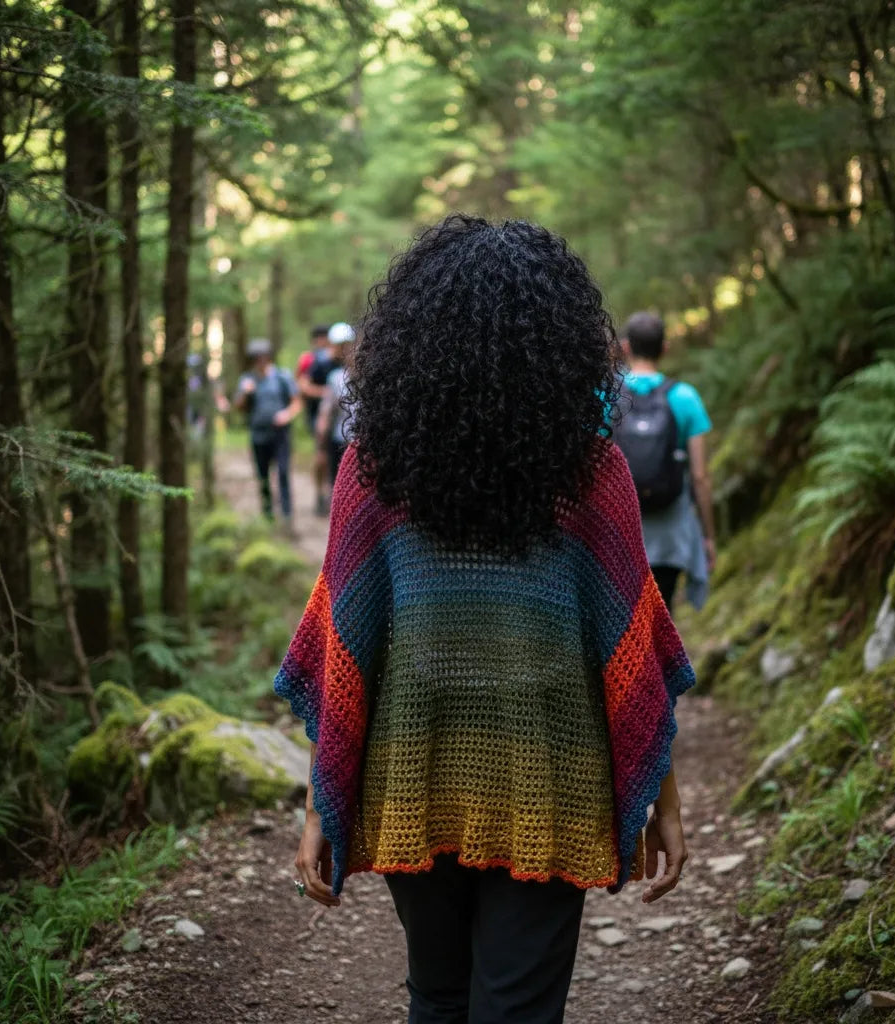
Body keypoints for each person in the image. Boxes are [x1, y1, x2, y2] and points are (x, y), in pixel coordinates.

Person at [274, 215, 695, 1024]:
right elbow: (630, 654)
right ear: (560, 345)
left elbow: (343, 659)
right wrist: (666, 805)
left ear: (412, 343)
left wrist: (319, 809)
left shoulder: (371, 473)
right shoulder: (592, 475)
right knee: (519, 1008)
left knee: (437, 996)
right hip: (553, 781)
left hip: (413, 783)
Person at [617, 311, 716, 613]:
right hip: (670, 533)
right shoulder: (685, 397)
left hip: (621, 535)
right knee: (662, 614)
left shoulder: (606, 397)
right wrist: (708, 535)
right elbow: (699, 476)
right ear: (665, 348)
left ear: (625, 347)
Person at [233, 337, 302, 531]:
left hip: (280, 435)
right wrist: (246, 393)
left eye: (262, 357)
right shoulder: (247, 380)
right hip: (258, 435)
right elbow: (238, 407)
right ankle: (267, 515)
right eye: (256, 358)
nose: (260, 361)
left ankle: (287, 517)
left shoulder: (282, 377)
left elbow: (296, 401)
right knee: (262, 475)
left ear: (268, 357)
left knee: (283, 473)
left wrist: (286, 415)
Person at [297, 324, 335, 517]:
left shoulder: (339, 358)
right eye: (319, 337)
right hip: (316, 416)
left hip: (337, 417)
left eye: (324, 337)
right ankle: (320, 494)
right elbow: (303, 386)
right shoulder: (310, 360)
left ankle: (331, 495)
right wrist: (326, 393)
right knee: (321, 457)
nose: (322, 341)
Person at [314, 322, 356, 490]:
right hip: (339, 437)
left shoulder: (368, 375)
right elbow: (325, 409)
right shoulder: (326, 369)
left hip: (358, 440)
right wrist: (321, 439)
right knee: (338, 484)